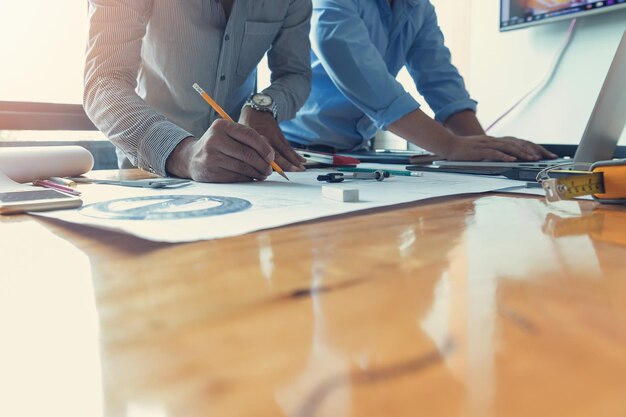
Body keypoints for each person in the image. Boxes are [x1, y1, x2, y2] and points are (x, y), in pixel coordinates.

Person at [281, 0, 557, 162]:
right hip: (292, 152)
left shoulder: (418, 9)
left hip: (354, 156)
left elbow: (440, 80)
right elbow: (360, 70)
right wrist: (450, 146)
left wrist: (489, 151)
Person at [84, 0, 311, 183]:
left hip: (241, 180)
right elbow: (103, 82)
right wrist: (182, 153)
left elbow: (295, 75)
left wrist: (263, 106)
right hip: (149, 178)